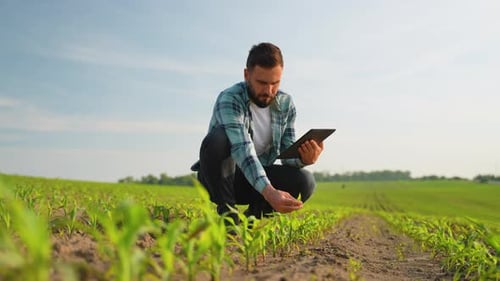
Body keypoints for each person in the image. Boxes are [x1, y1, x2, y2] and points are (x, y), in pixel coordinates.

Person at [191, 42, 324, 222]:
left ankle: (253, 218)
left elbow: (287, 153)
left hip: (257, 178)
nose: (268, 91)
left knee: (305, 182)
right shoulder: (230, 98)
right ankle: (228, 215)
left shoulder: (285, 104)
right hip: (223, 178)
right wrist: (270, 192)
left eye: (275, 83)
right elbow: (243, 150)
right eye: (262, 83)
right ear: (247, 75)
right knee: (218, 139)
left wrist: (304, 158)